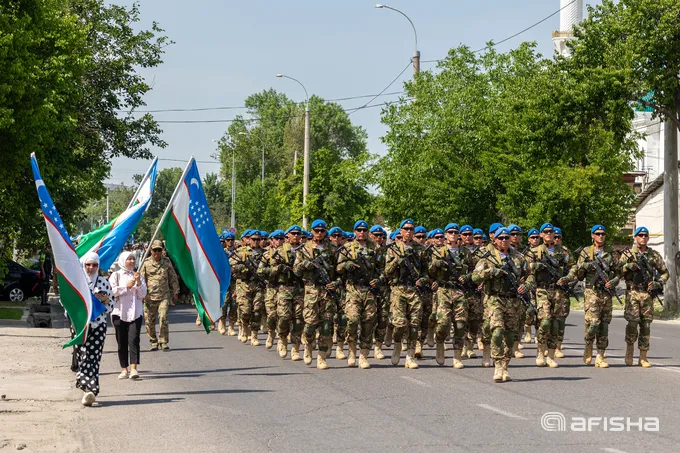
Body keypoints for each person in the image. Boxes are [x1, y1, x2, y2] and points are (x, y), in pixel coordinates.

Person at [472, 228, 532, 382]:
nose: (504, 240)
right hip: (495, 299)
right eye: (501, 238)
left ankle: (505, 364)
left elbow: (530, 275)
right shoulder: (487, 258)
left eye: (507, 237)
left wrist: (527, 286)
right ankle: (497, 365)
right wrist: (490, 272)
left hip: (513, 301)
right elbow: (475, 277)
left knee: (510, 336)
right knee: (497, 331)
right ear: (495, 240)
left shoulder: (519, 257)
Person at [564, 224, 620, 367]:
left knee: (604, 325)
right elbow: (579, 273)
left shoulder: (610, 252)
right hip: (592, 291)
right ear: (592, 235)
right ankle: (588, 344)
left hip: (606, 293)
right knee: (593, 323)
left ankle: (600, 356)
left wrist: (612, 282)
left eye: (603, 233)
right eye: (598, 233)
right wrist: (586, 266)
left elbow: (619, 272)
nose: (601, 236)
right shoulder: (586, 252)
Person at [336, 220, 384, 369]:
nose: (361, 232)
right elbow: (337, 268)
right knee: (352, 319)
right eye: (359, 230)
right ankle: (351, 351)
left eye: (364, 230)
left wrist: (378, 280)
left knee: (368, 323)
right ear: (355, 231)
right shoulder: (347, 248)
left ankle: (363, 355)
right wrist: (345, 265)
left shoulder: (375, 248)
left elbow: (383, 270)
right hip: (353, 289)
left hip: (369, 291)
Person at [619, 226, 669, 368]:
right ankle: (629, 351)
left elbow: (665, 272)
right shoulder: (628, 254)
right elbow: (617, 271)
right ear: (635, 237)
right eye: (640, 235)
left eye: (645, 235)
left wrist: (658, 283)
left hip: (647, 294)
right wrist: (628, 266)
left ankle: (643, 356)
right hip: (633, 292)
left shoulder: (653, 255)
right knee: (632, 324)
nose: (643, 237)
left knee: (646, 325)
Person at [293, 219, 340, 370]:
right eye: (317, 231)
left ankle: (321, 356)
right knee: (310, 325)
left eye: (322, 231)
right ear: (312, 232)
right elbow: (296, 271)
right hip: (311, 290)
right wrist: (304, 265)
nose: (320, 233)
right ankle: (307, 345)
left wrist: (336, 283)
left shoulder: (332, 249)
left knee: (326, 326)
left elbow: (340, 272)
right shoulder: (304, 249)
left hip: (327, 291)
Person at [384, 219, 429, 369]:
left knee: (414, 324)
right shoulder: (393, 249)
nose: (408, 231)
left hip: (414, 291)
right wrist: (397, 261)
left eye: (411, 229)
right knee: (399, 324)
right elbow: (387, 272)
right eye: (406, 228)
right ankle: (397, 344)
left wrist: (422, 280)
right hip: (398, 289)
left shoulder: (421, 249)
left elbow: (426, 272)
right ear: (400, 231)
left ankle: (410, 356)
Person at [430, 223, 474, 369]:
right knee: (442, 323)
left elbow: (475, 271)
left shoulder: (466, 252)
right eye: (450, 232)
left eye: (456, 232)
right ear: (445, 235)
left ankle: (457, 356)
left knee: (460, 324)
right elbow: (429, 272)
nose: (453, 234)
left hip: (460, 291)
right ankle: (440, 343)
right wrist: (435, 264)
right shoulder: (437, 252)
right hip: (444, 290)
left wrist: (466, 277)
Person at [78, 252, 113, 406]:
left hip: (98, 324)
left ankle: (90, 390)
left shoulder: (104, 282)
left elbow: (111, 306)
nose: (91, 268)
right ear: (84, 265)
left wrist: (104, 299)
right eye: (88, 265)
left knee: (94, 356)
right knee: (83, 355)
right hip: (80, 325)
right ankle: (86, 387)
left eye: (94, 265)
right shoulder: (77, 281)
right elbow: (66, 301)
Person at [109, 251, 147, 379]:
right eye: (128, 259)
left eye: (133, 259)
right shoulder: (116, 275)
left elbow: (143, 294)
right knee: (122, 341)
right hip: (119, 313)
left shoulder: (138, 275)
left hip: (135, 313)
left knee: (134, 340)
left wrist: (139, 283)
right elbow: (112, 291)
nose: (131, 261)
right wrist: (126, 286)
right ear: (123, 261)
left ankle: (133, 368)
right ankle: (124, 369)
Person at [140, 240, 179, 351]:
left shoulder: (166, 262)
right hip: (149, 297)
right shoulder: (146, 263)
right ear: (150, 251)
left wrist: (175, 292)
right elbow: (141, 279)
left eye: (159, 250)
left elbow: (173, 277)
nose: (157, 252)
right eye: (154, 250)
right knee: (149, 321)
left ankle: (163, 341)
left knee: (163, 318)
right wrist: (141, 293)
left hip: (164, 295)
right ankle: (153, 341)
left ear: (162, 251)